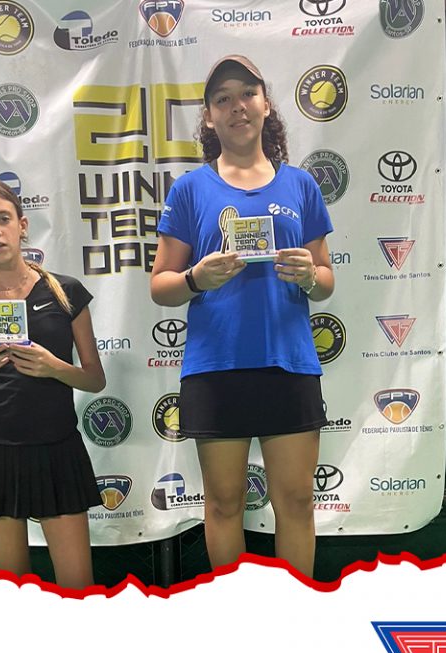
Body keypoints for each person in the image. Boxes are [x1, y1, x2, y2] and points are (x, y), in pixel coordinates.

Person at [150, 55, 335, 577]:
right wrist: (195, 279)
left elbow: (325, 281)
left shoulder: (301, 185)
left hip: (288, 365)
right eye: (223, 99)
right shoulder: (190, 189)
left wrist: (309, 275)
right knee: (224, 504)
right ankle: (233, 614)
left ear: (266, 104)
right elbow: (161, 286)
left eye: (247, 94)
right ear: (209, 117)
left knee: (295, 502)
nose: (237, 107)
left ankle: (295, 611)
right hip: (216, 368)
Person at [0, 177, 105, 588]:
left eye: (3, 219)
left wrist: (54, 367)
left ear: (22, 224)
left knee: (78, 589)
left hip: (57, 449)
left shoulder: (65, 292)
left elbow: (94, 379)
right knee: (13, 592)